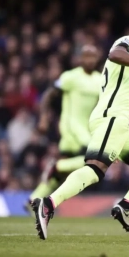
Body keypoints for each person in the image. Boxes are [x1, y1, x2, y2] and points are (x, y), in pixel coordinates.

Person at [32, 12, 129, 240]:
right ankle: (48, 204)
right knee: (95, 169)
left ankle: (126, 206)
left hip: (119, 123)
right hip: (111, 119)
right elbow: (114, 54)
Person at [25, 45, 101, 213]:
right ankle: (58, 165)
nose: (90, 60)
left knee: (60, 175)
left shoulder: (100, 80)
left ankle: (33, 199)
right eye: (86, 56)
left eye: (93, 56)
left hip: (87, 129)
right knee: (96, 160)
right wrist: (44, 117)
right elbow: (48, 95)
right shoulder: (70, 77)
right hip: (71, 129)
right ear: (80, 59)